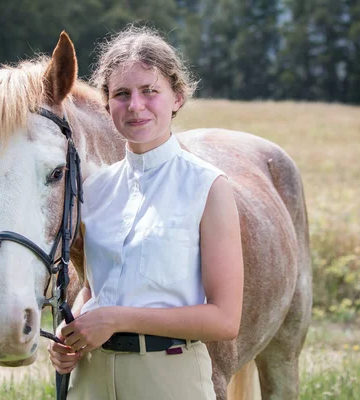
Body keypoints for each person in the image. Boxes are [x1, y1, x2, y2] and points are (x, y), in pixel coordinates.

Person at [48, 26, 244, 400]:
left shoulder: (208, 187)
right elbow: (93, 288)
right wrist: (70, 332)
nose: (135, 105)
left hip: (170, 377)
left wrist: (117, 318)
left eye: (149, 91)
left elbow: (224, 319)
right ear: (107, 105)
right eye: (121, 94)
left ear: (177, 98)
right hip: (91, 379)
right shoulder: (94, 190)